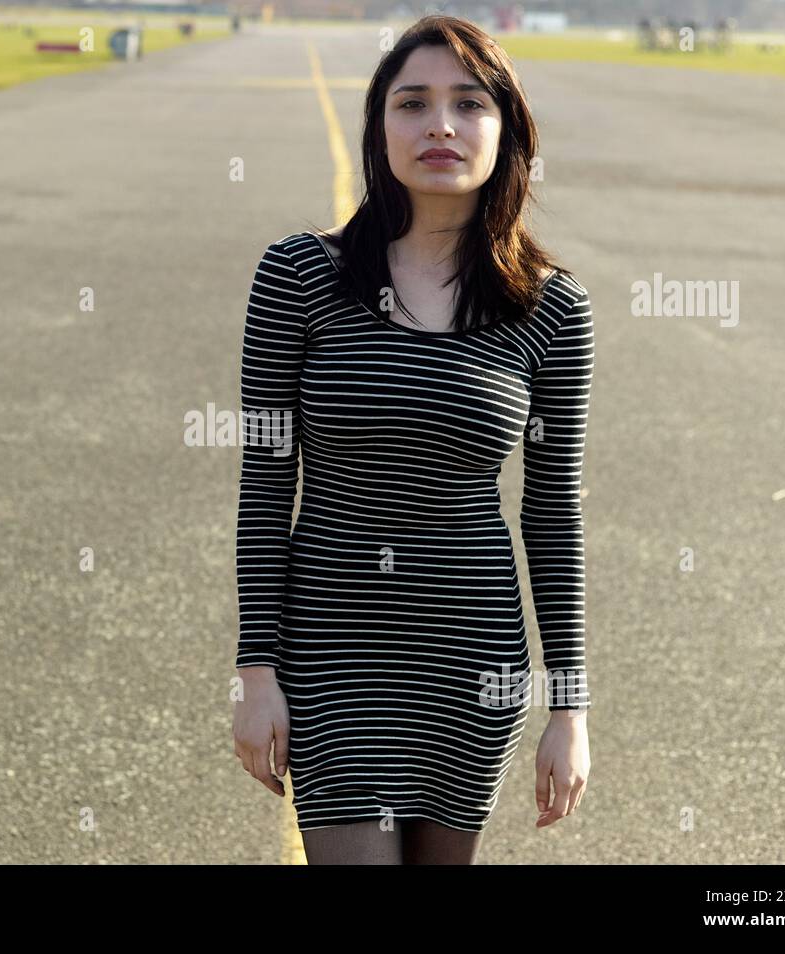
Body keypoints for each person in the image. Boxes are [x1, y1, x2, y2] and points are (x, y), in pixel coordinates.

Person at [232, 15, 593, 865]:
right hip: (331, 651)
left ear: (506, 133)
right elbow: (263, 483)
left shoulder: (552, 308)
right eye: (412, 103)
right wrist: (255, 676)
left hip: (473, 662)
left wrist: (569, 709)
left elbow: (553, 514)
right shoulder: (297, 276)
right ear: (379, 128)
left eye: (469, 104)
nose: (439, 125)